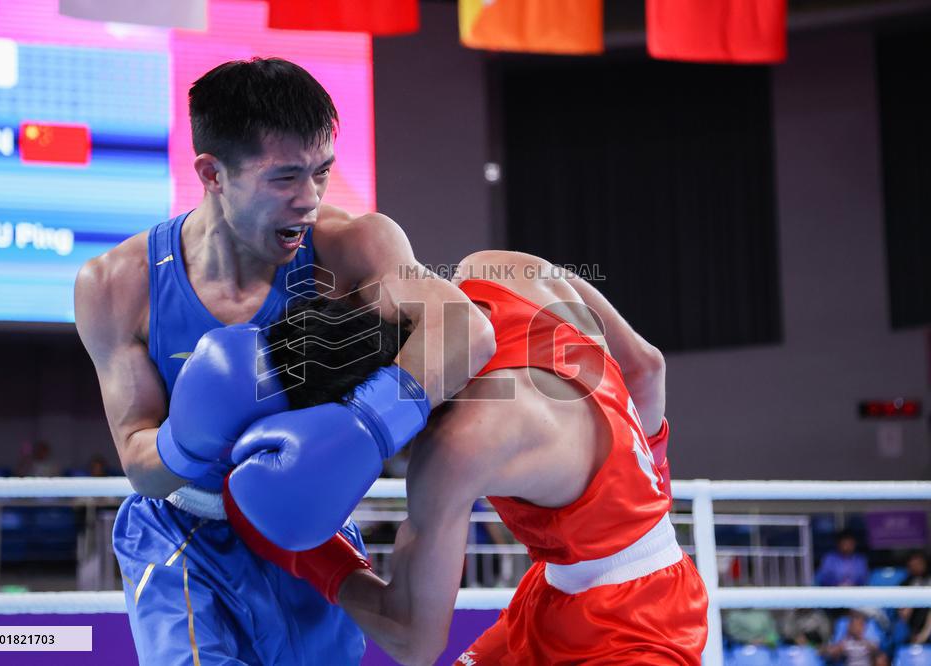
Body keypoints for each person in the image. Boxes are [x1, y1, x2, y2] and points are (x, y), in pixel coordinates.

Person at [74, 57, 494, 665]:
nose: (310, 199)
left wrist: (367, 423)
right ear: (212, 173)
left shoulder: (352, 247)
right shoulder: (119, 284)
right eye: (285, 178)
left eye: (321, 173)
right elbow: (140, 462)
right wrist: (188, 441)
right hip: (180, 535)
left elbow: (464, 327)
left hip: (307, 526)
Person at [226, 250, 709, 665]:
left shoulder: (456, 446)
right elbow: (646, 369)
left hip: (640, 632)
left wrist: (304, 550)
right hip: (562, 595)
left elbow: (414, 640)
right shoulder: (497, 269)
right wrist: (637, 495)